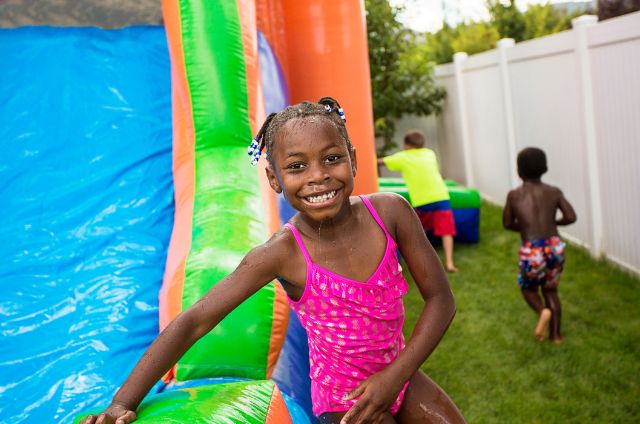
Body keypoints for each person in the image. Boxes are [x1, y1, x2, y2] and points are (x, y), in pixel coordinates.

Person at [81, 98, 466, 424]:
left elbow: (440, 299)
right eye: (297, 166)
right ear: (274, 178)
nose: (318, 177)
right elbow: (196, 320)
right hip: (344, 400)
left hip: (401, 373)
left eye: (331, 159)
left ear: (353, 159)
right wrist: (122, 402)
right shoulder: (282, 253)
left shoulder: (391, 212)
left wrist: (395, 377)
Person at [503, 147, 576, 344]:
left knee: (528, 288)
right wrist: (553, 224)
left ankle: (542, 311)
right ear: (544, 168)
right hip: (555, 246)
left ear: (519, 171)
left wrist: (526, 227)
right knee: (551, 290)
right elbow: (570, 217)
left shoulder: (515, 195)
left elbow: (507, 223)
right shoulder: (554, 192)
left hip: (532, 249)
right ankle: (556, 336)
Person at [377, 130, 458, 273]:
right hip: (441, 196)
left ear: (407, 146)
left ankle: (419, 263)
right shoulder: (430, 153)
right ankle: (450, 263)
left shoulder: (403, 157)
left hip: (422, 201)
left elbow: (381, 162)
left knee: (414, 232)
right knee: (446, 232)